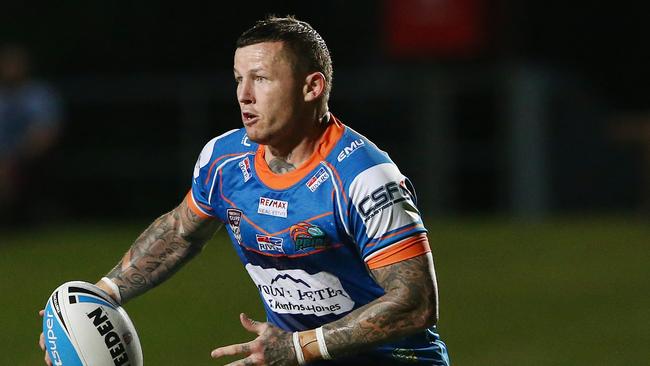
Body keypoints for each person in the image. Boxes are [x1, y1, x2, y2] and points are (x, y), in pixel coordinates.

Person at [39, 16, 450, 365]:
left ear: (312, 87)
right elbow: (181, 232)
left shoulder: (364, 178)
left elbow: (415, 302)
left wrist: (298, 346)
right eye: (238, 79)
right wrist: (97, 299)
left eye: (261, 79)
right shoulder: (224, 159)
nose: (243, 94)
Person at [0, 44, 62, 224]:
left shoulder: (40, 95)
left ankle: (15, 222)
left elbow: (46, 132)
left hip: (29, 156)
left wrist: (15, 157)